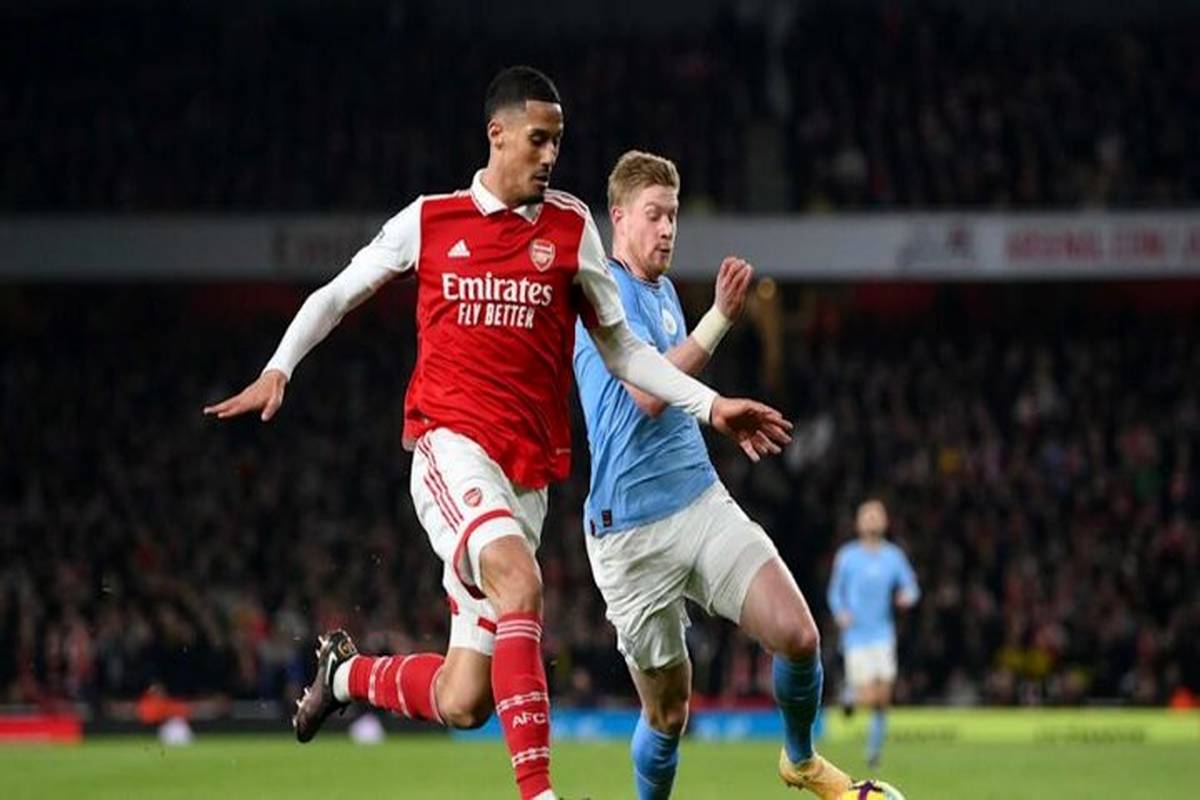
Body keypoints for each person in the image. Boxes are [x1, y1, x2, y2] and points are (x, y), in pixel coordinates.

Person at [202, 68, 790, 800]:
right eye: (538, 139)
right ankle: (539, 795)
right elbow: (338, 293)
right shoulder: (432, 220)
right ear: (498, 134)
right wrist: (279, 367)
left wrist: (710, 406)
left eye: (559, 142)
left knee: (465, 699)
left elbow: (625, 353)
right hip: (450, 448)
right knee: (521, 582)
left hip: (525, 477)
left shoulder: (571, 230)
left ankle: (344, 675)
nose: (550, 155)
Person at [571, 150, 852, 799]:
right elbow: (646, 394)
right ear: (618, 217)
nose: (668, 229)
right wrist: (721, 319)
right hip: (630, 535)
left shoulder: (665, 292)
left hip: (698, 502)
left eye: (673, 215)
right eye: (654, 215)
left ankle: (801, 760)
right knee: (669, 714)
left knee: (799, 635)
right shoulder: (599, 293)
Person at [827, 499, 920, 768]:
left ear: (885, 522)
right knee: (871, 694)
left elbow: (912, 587)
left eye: (876, 515)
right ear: (858, 523)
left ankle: (873, 752)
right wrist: (840, 612)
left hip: (883, 634)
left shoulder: (893, 556)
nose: (872, 520)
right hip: (856, 636)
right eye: (867, 515)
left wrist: (906, 597)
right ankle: (850, 698)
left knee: (883, 699)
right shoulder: (847, 556)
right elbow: (834, 592)